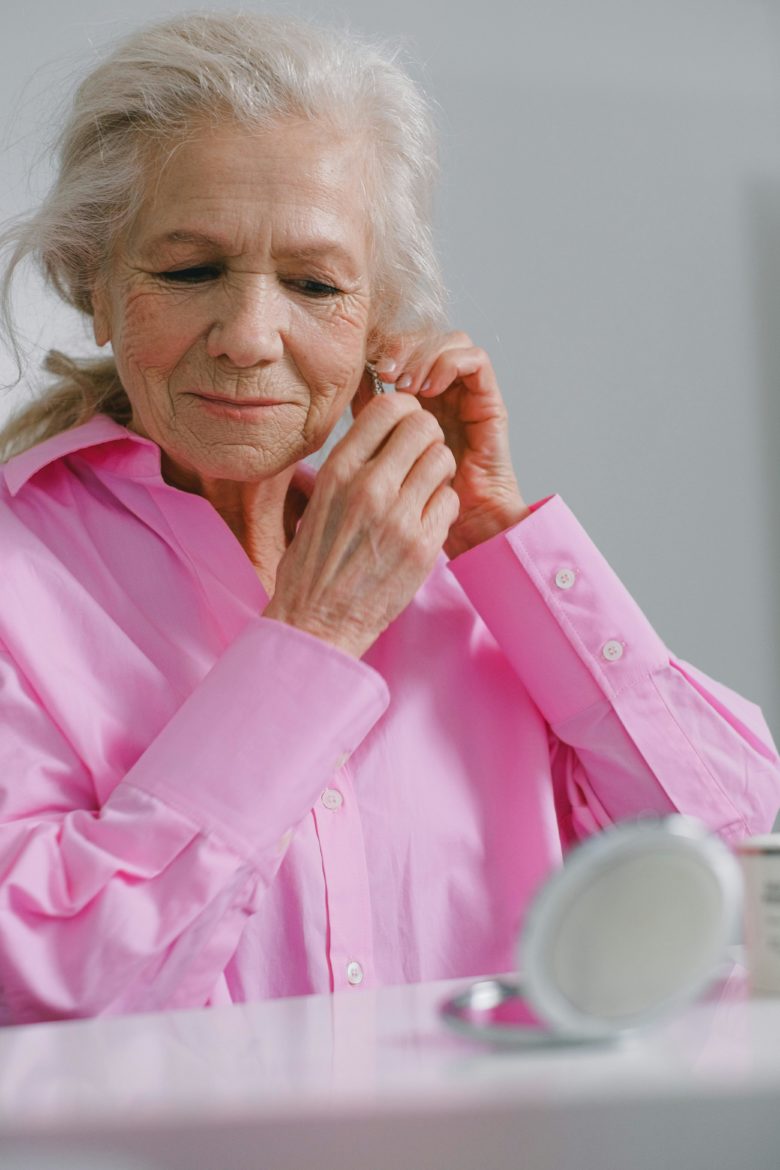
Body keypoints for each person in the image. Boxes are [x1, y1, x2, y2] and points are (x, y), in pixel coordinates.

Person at [0, 11, 777, 1027]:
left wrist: (499, 539)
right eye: (189, 271)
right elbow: (46, 991)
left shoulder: (474, 598)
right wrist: (314, 636)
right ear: (95, 288)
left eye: (314, 283)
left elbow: (747, 887)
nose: (249, 336)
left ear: (377, 323)